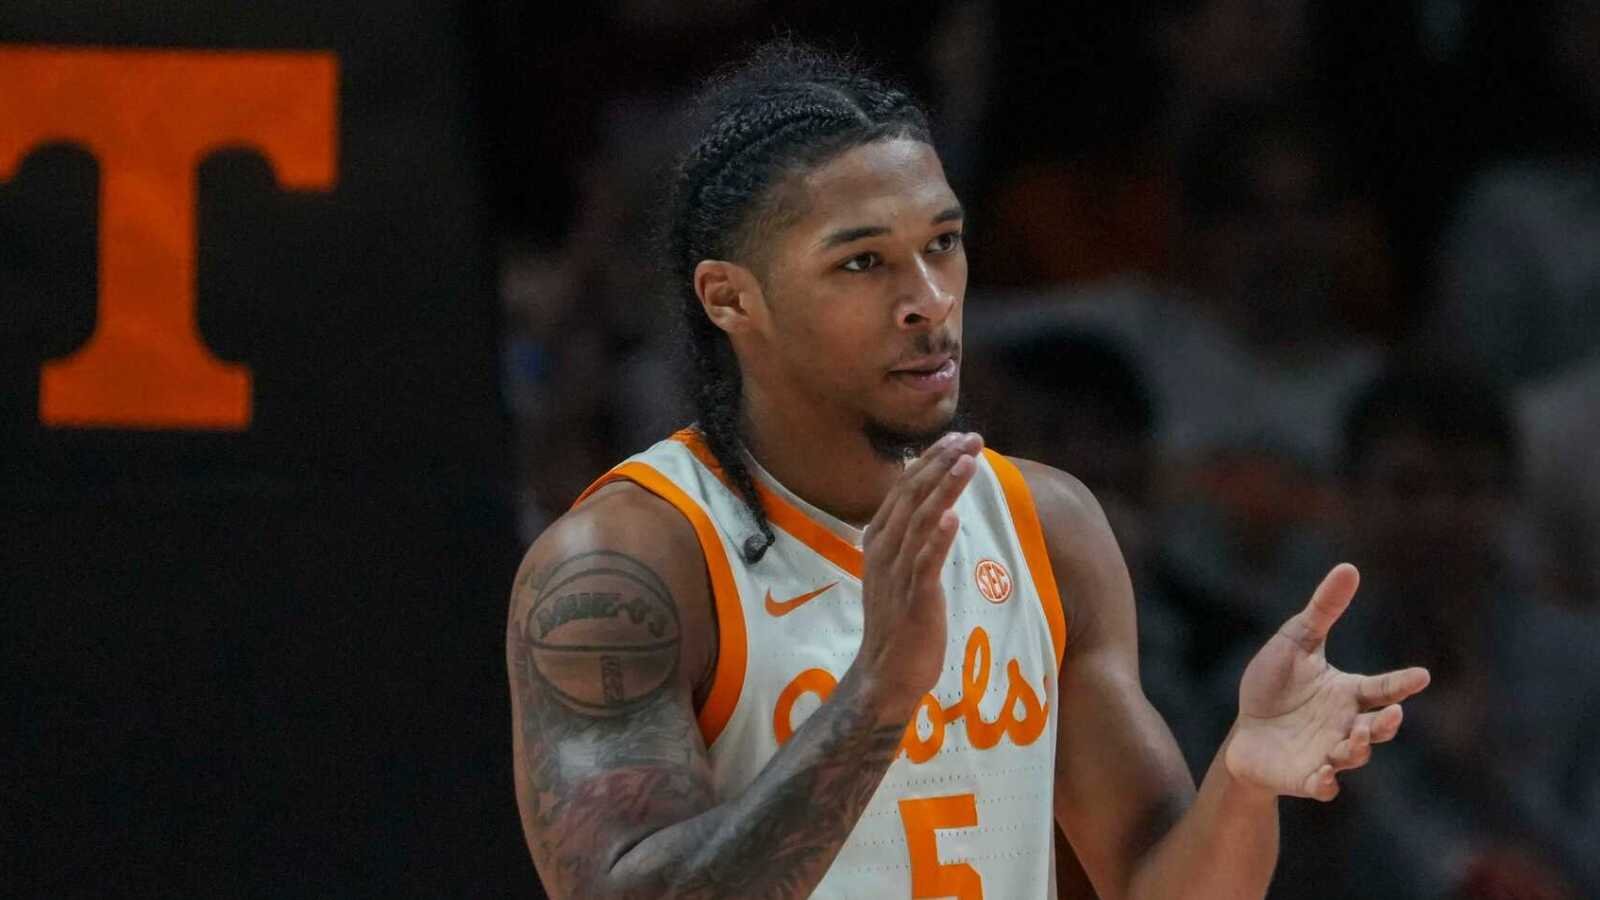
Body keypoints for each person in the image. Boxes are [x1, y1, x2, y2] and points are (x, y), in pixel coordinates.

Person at [506, 41, 1430, 900]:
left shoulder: (1048, 526)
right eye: (862, 262)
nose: (928, 300)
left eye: (942, 243)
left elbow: (1158, 883)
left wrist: (1244, 780)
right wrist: (877, 697)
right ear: (731, 298)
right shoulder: (626, 564)